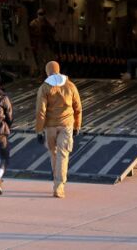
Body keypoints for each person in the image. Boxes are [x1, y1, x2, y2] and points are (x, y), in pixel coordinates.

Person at [35, 61, 83, 198]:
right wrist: (77, 125)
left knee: (53, 153)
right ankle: (59, 187)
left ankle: (56, 180)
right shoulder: (70, 86)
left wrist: (39, 130)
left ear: (47, 71)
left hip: (50, 126)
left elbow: (40, 111)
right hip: (67, 125)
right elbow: (78, 108)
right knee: (63, 155)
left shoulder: (44, 88)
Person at [29, 9, 56, 73]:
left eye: (42, 14)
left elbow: (52, 31)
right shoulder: (34, 23)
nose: (41, 16)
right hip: (38, 43)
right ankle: (41, 71)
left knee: (47, 58)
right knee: (40, 58)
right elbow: (30, 32)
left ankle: (45, 71)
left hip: (45, 43)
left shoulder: (47, 23)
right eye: (40, 14)